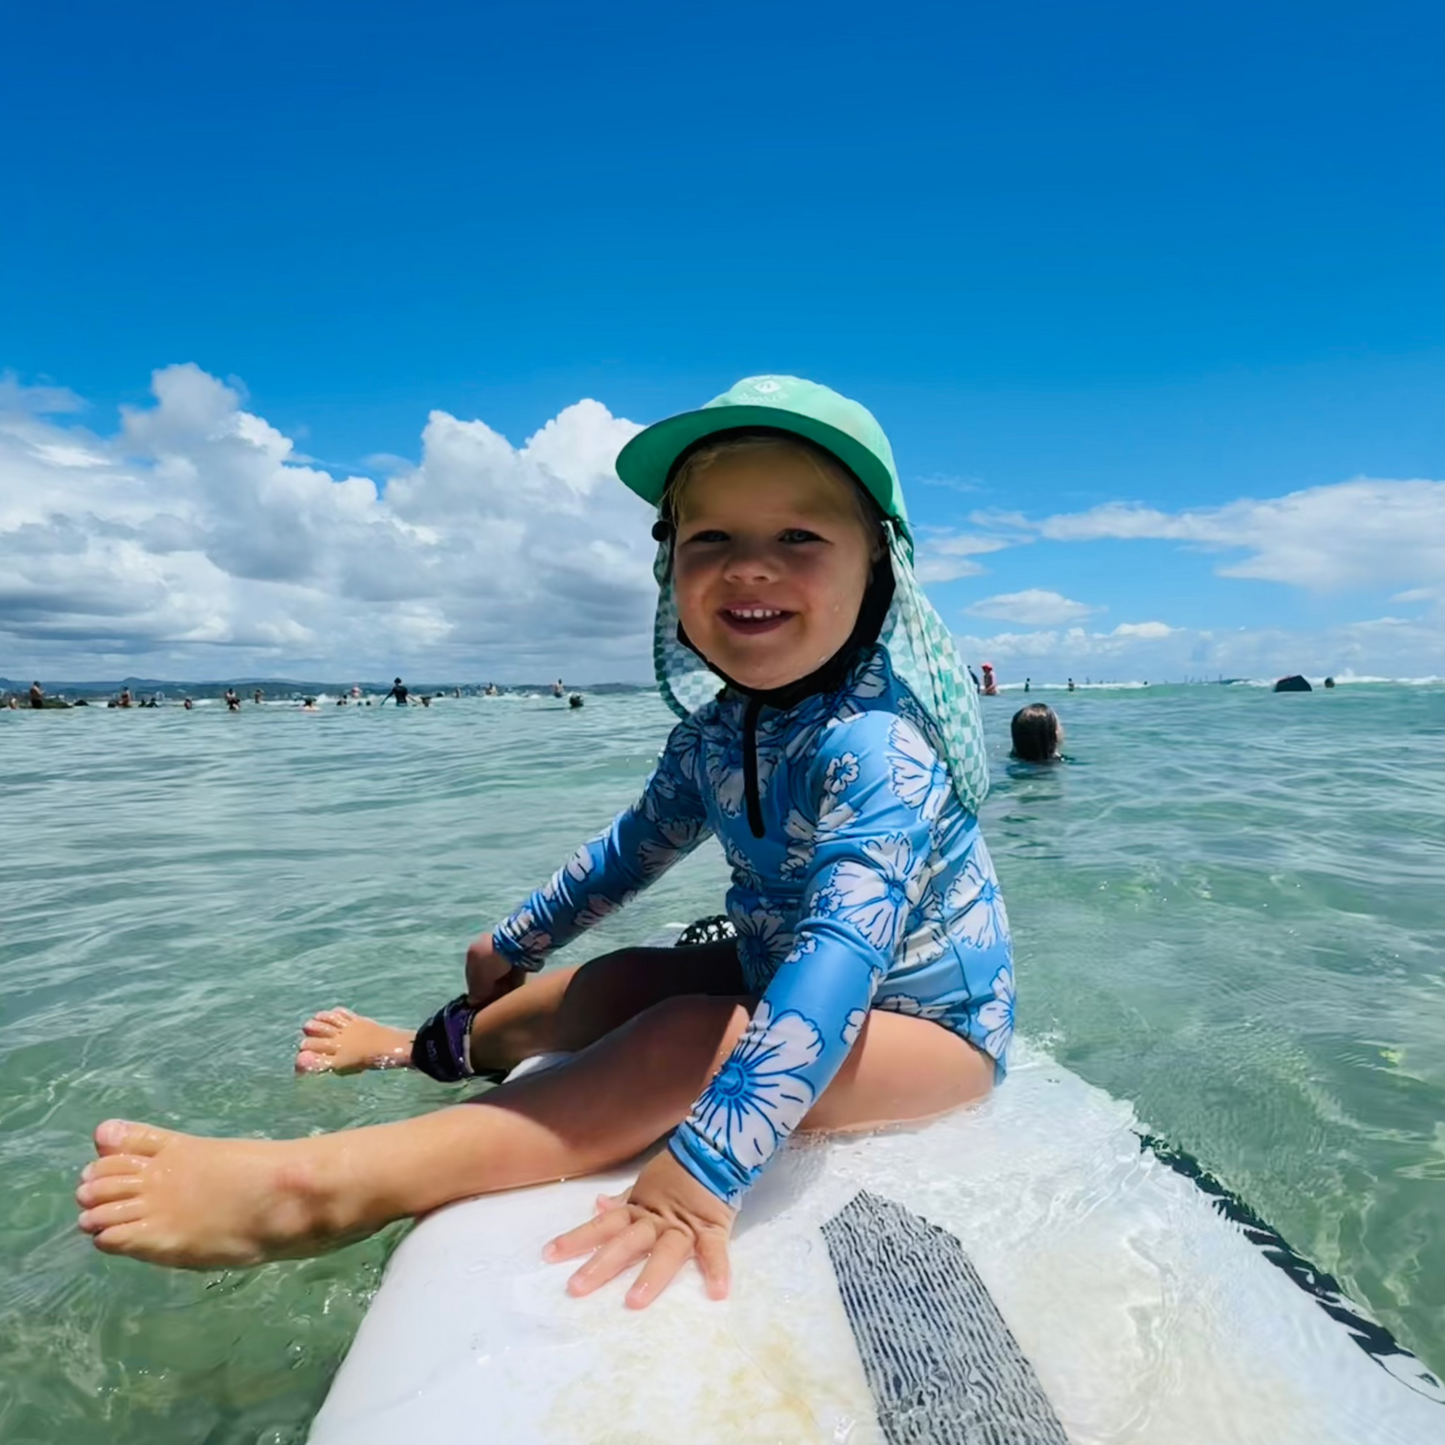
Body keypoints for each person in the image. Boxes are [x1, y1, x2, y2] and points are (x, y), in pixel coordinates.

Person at [74, 375, 1013, 1313]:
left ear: (878, 570)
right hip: (786, 971)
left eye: (797, 537)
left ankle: (324, 1187)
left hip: (933, 1032)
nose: (749, 566)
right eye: (711, 538)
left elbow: (841, 960)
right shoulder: (718, 733)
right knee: (616, 982)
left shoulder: (883, 746)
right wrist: (511, 943)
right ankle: (419, 1049)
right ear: (669, 568)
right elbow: (628, 852)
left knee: (687, 1038)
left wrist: (707, 1169)